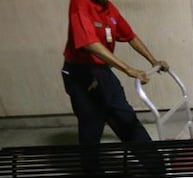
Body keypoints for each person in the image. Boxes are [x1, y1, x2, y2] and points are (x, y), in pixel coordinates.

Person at [61, 0, 168, 145]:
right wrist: (128, 69)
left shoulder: (108, 7)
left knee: (127, 118)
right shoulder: (80, 3)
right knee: (92, 123)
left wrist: (153, 61)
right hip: (80, 73)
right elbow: (89, 43)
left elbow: (130, 36)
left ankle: (156, 165)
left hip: (102, 71)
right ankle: (91, 167)